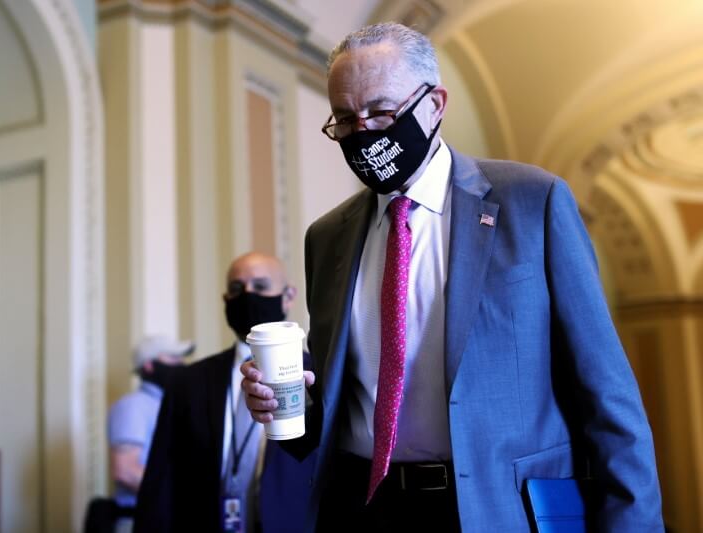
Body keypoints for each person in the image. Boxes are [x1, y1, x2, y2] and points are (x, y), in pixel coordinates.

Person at [241, 23, 664, 532]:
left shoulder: (533, 202)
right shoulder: (327, 237)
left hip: (495, 512)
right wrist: (284, 408)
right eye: (346, 118)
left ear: (435, 104)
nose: (364, 131)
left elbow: (609, 399)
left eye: (381, 111)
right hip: (362, 510)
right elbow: (337, 415)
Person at [134, 252, 316, 533]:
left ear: (288, 295)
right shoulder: (187, 381)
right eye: (236, 289)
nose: (248, 295)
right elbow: (162, 480)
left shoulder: (321, 374)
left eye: (260, 285)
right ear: (225, 300)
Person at [86, 335, 194, 533]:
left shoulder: (165, 405)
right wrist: (184, 497)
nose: (181, 364)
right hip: (139, 520)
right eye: (172, 358)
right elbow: (125, 470)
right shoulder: (133, 406)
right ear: (149, 366)